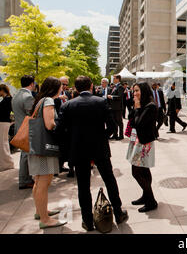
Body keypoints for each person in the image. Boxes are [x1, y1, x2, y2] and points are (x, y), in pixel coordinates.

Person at [56, 76, 128, 231]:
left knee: (83, 186)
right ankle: (118, 213)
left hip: (79, 150)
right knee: (109, 180)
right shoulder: (100, 102)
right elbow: (112, 126)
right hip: (99, 148)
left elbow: (59, 131)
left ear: (75, 88)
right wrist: (101, 138)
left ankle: (87, 221)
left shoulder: (68, 105)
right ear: (91, 86)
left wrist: (72, 143)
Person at [29, 77, 66, 229]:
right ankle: (45, 219)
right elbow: (50, 124)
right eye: (61, 86)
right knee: (44, 182)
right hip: (45, 148)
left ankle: (41, 211)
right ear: (55, 88)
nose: (63, 88)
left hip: (37, 147)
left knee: (38, 182)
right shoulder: (49, 101)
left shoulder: (40, 100)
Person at [128, 83, 158, 212]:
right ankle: (146, 196)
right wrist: (136, 108)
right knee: (144, 171)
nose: (134, 94)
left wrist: (137, 107)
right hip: (138, 141)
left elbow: (138, 123)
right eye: (133, 91)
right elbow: (131, 121)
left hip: (144, 143)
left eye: (137, 91)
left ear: (144, 91)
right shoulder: (141, 105)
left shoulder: (150, 106)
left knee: (136, 172)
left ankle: (151, 200)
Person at [12, 75, 36, 190]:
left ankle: (25, 179)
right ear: (31, 84)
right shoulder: (27, 97)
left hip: (19, 128)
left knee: (24, 154)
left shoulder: (16, 95)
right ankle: (25, 180)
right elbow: (31, 114)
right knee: (26, 155)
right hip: (26, 129)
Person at [54, 76, 73, 177]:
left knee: (66, 147)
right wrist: (58, 98)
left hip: (68, 125)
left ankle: (63, 166)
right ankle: (56, 168)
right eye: (63, 84)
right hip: (58, 123)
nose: (65, 86)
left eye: (66, 84)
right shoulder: (53, 95)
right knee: (58, 147)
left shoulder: (68, 94)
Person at [0, 84, 14, 172]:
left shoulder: (7, 100)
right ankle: (6, 163)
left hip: (2, 123)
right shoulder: (8, 99)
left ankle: (4, 164)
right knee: (4, 143)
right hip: (5, 123)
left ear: (2, 90)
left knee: (0, 144)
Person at [108, 75, 125, 140]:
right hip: (113, 107)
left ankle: (121, 135)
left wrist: (111, 97)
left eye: (114, 78)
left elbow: (120, 97)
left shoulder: (120, 87)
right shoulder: (114, 86)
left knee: (119, 122)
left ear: (118, 79)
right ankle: (115, 134)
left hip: (118, 107)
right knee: (114, 122)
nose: (113, 79)